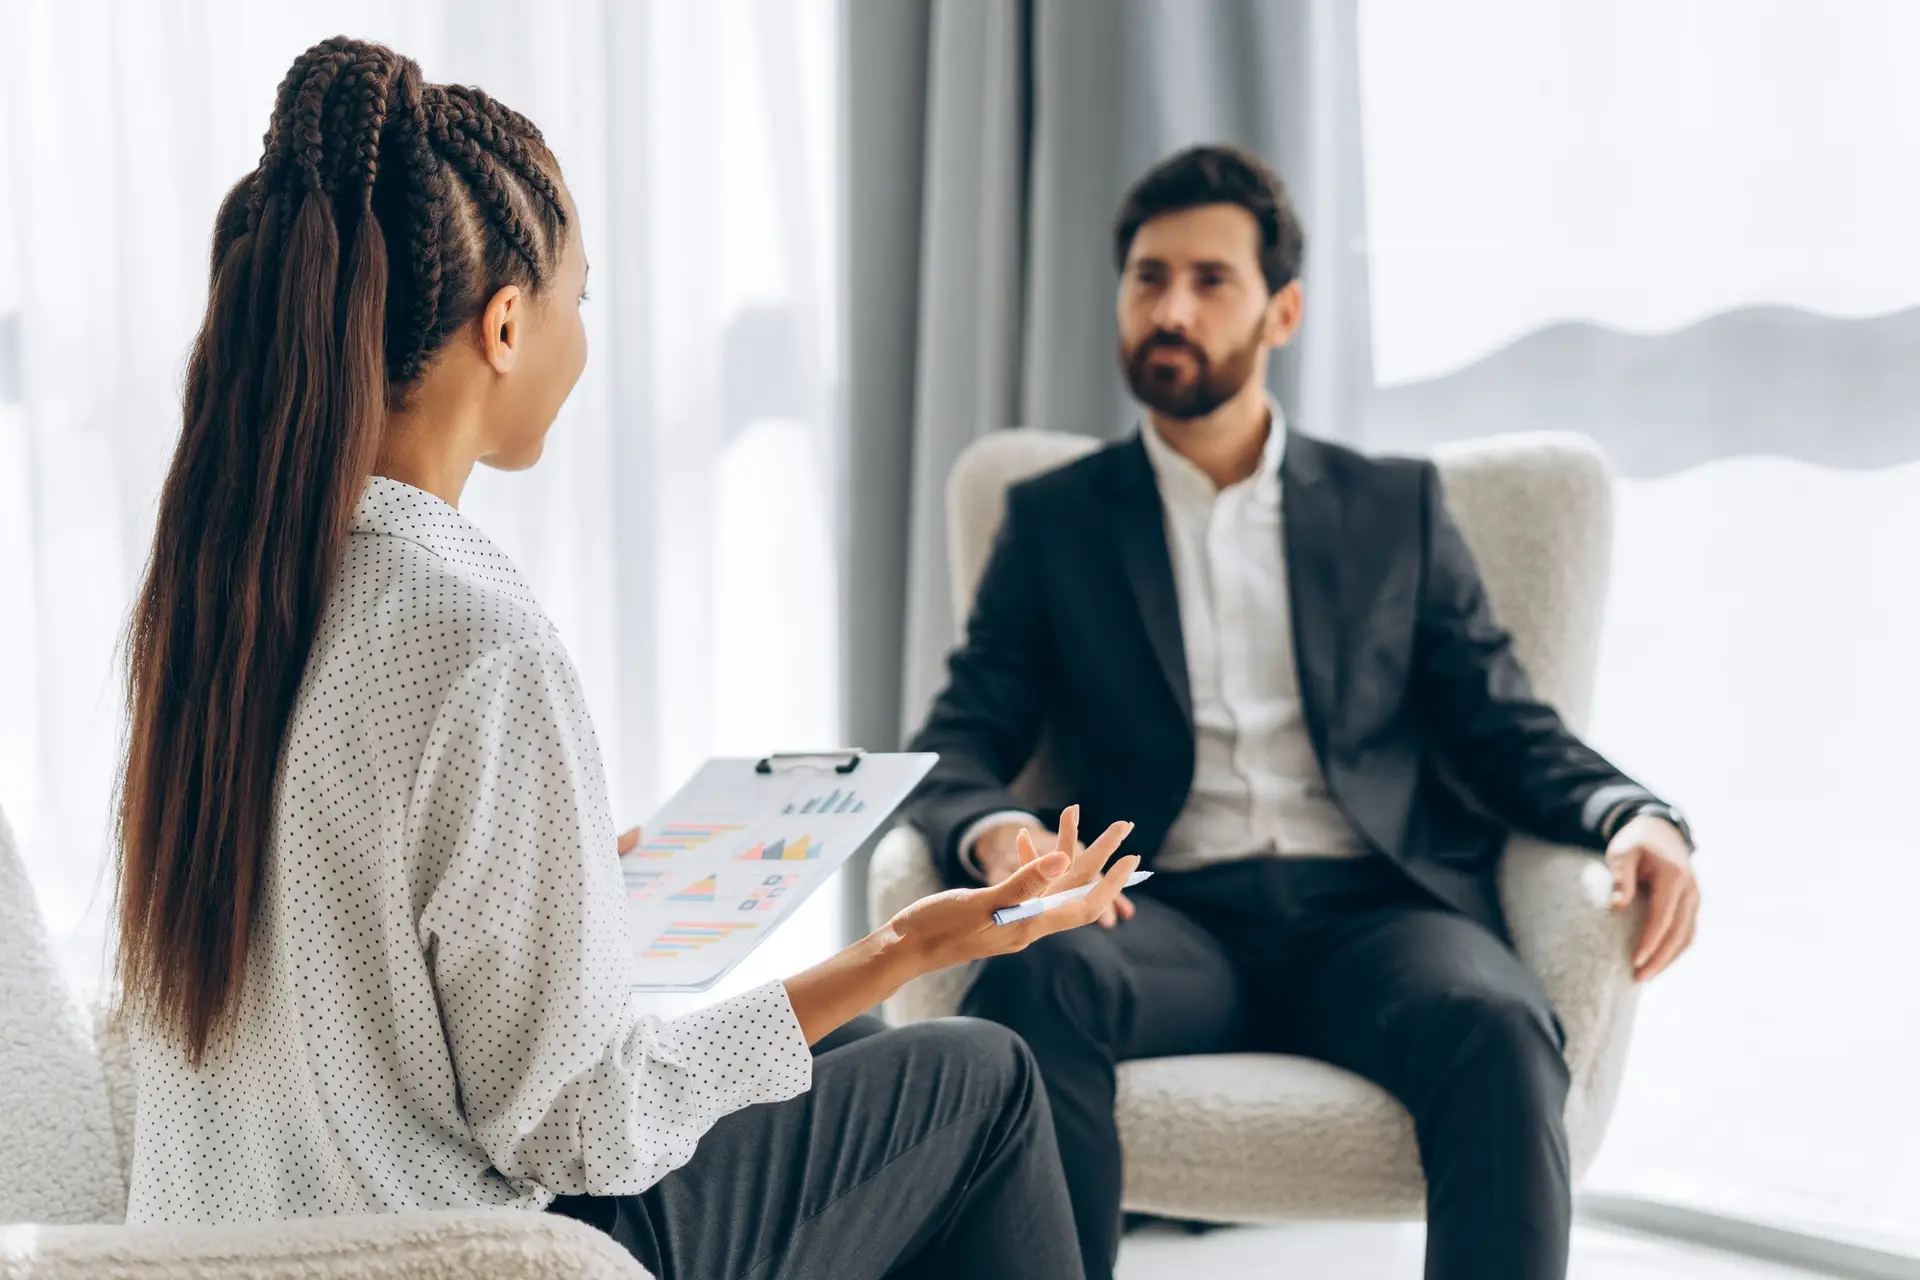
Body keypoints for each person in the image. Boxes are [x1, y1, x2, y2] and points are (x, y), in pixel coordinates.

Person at [112, 38, 1140, 1280]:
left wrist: (566, 898)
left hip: (241, 1246)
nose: (579, 339)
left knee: (854, 1040)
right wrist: (909, 945)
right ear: (505, 324)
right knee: (980, 1077)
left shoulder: (220, 594)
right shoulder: (475, 635)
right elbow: (577, 1125)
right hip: (466, 1252)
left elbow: (325, 919)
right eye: (577, 299)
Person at [905, 144, 1704, 1280]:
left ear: (1282, 310)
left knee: (1499, 1022)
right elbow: (960, 739)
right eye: (1147, 277)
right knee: (1036, 977)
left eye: (1209, 279)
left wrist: (1633, 811)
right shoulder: (1055, 522)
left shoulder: (1393, 508)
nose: (1170, 307)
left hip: (1373, 916)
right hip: (1159, 912)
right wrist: (996, 830)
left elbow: (1501, 723)